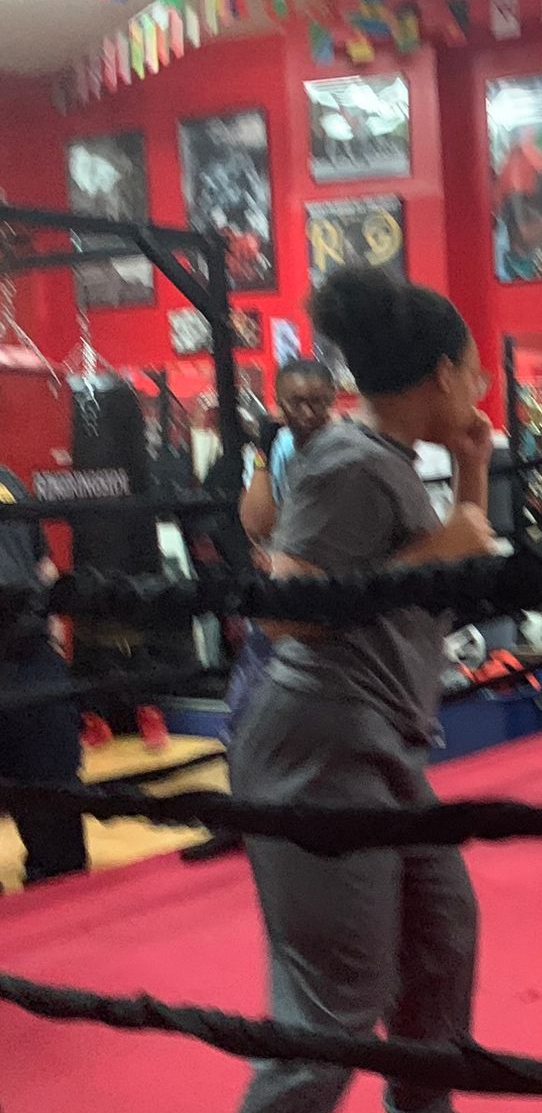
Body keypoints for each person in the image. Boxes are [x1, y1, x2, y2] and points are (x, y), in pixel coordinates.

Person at [170, 269, 520, 1113]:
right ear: (448, 368)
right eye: (474, 364)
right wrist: (446, 539)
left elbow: (428, 571)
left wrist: (467, 488)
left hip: (376, 748)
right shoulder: (354, 461)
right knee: (327, 1006)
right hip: (319, 754)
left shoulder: (390, 458)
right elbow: (290, 612)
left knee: (442, 925)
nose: (485, 380)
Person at [187, 360, 341, 865]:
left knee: (329, 721)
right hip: (279, 602)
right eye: (298, 402)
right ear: (280, 404)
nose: (309, 412)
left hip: (329, 608)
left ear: (333, 398)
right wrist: (258, 452)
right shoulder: (278, 447)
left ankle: (328, 822)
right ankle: (245, 818)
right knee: (244, 713)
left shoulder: (351, 453)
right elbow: (256, 521)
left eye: (319, 400)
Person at [0, 466, 86, 888]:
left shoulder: (8, 480)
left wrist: (54, 641)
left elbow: (42, 564)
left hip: (32, 660)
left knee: (55, 806)